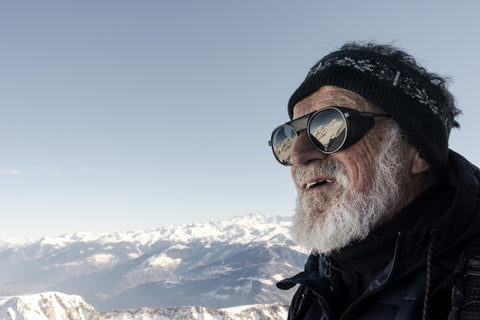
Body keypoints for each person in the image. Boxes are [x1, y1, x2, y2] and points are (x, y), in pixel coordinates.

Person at [270, 42, 480, 319]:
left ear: (418, 150)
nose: (297, 156)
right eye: (288, 137)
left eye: (330, 127)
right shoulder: (324, 274)